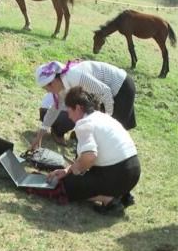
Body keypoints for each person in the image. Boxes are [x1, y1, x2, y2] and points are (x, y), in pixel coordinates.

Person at [46, 86, 140, 215]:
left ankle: (109, 199)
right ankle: (121, 194)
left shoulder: (84, 123)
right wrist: (67, 170)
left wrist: (74, 173)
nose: (68, 115)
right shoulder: (102, 117)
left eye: (69, 110)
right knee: (77, 176)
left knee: (66, 186)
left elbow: (89, 157)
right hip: (133, 172)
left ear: (78, 108)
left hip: (117, 174)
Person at [32, 59, 136, 149]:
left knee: (113, 130)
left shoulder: (75, 76)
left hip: (121, 87)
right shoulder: (61, 86)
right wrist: (40, 136)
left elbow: (106, 92)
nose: (48, 92)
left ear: (53, 81)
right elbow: (55, 109)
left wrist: (106, 119)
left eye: (48, 89)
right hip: (102, 93)